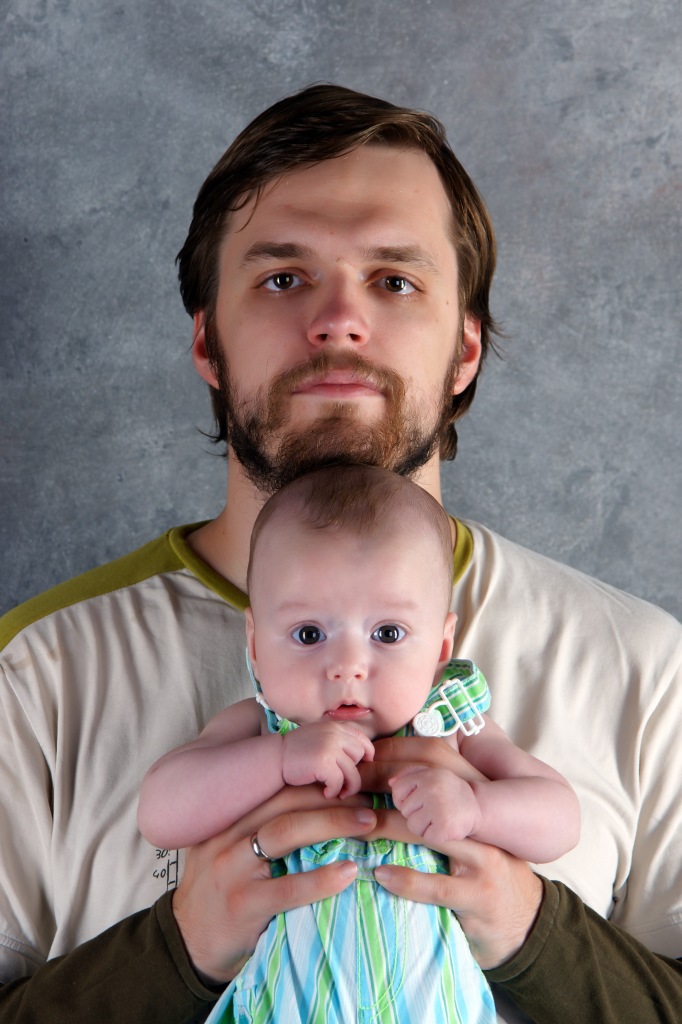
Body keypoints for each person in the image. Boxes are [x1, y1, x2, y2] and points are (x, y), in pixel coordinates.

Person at [0, 83, 681, 1024]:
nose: (337, 321)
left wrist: (534, 932)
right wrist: (175, 951)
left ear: (466, 351)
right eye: (283, 278)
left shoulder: (646, 668)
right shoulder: (33, 673)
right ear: (207, 342)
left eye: (394, 281)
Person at [138, 464, 580, 1023]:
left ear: (441, 648)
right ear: (254, 643)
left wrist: (476, 806)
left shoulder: (451, 728)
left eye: (388, 634)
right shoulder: (259, 728)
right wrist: (278, 759)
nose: (347, 666)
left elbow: (560, 819)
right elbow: (161, 814)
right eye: (309, 634)